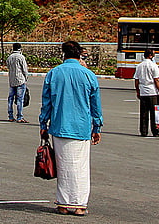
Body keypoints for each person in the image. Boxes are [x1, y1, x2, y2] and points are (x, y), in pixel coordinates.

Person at [39, 40, 103, 217]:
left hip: (59, 126)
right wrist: (96, 126)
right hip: (81, 127)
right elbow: (95, 105)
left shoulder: (53, 74)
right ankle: (80, 204)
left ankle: (63, 203)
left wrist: (43, 125)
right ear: (79, 54)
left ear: (63, 54)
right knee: (81, 166)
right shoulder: (88, 75)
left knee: (63, 165)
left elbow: (46, 104)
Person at [133, 49, 159, 137]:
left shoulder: (139, 66)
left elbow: (136, 80)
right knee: (154, 113)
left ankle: (143, 131)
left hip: (143, 91)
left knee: (144, 113)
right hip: (152, 91)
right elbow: (157, 80)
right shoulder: (153, 66)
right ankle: (155, 131)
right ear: (150, 55)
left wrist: (138, 91)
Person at [7, 43, 29, 123]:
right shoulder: (21, 57)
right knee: (20, 99)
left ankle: (10, 116)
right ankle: (19, 117)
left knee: (10, 99)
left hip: (12, 81)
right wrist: (26, 78)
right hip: (20, 80)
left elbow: (8, 67)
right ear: (20, 48)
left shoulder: (9, 58)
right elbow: (25, 69)